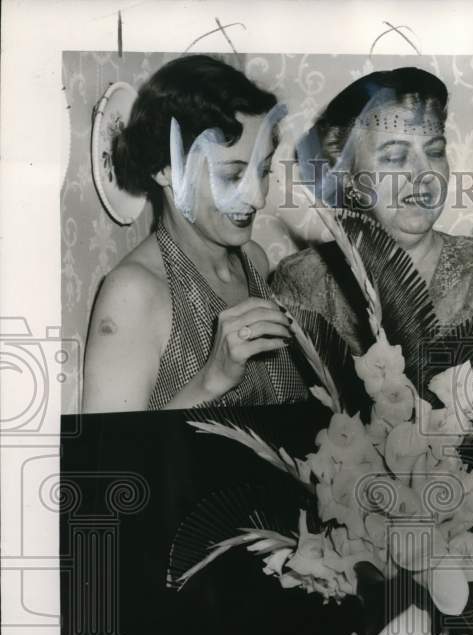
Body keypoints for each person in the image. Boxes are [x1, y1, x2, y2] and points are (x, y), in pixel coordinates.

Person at [271, 67, 473, 635]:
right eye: (395, 156)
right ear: (344, 172)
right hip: (343, 589)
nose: (422, 175)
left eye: (434, 150)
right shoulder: (300, 289)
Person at [83, 55, 308, 412]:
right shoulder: (133, 293)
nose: (258, 197)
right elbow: (110, 462)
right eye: (233, 175)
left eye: (262, 170)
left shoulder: (254, 259)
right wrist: (212, 379)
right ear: (166, 170)